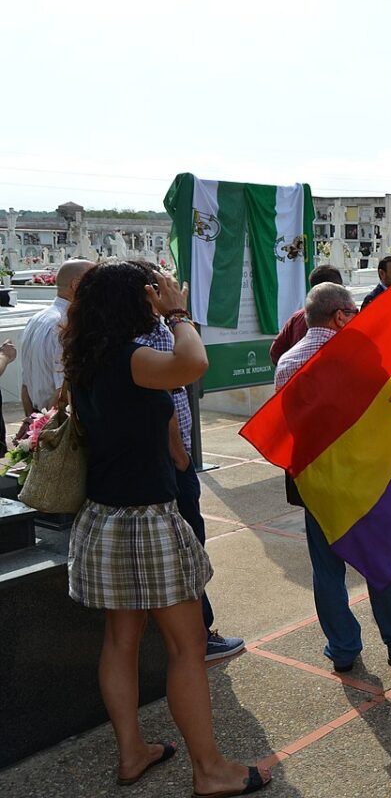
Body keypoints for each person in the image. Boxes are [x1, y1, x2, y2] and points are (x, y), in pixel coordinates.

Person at [63, 262, 271, 796]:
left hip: (103, 517)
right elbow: (193, 363)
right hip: (146, 520)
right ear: (134, 302)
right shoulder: (132, 359)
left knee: (121, 640)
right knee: (186, 645)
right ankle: (210, 770)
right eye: (147, 293)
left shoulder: (86, 358)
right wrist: (177, 310)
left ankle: (132, 752)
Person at [276, 283, 391, 671]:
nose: (356, 318)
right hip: (364, 480)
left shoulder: (288, 361)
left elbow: (288, 427)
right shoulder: (359, 354)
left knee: (327, 570)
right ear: (339, 316)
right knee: (383, 558)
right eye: (352, 312)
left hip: (316, 483)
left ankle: (343, 649)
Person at [129, 261, 243, 662]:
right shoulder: (154, 332)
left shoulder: (117, 336)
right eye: (165, 285)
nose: (174, 289)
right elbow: (168, 399)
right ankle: (199, 635)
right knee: (188, 549)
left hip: (151, 466)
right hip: (170, 465)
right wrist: (180, 457)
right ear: (149, 293)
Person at [21, 258, 94, 417]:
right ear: (76, 285)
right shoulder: (66, 324)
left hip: (39, 420)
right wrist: (44, 427)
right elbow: (62, 391)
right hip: (56, 424)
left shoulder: (36, 319)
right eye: (95, 282)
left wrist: (32, 423)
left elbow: (26, 384)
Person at [269, 265, 344, 364]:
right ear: (338, 289)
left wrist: (291, 370)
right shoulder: (344, 317)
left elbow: (275, 351)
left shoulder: (297, 317)